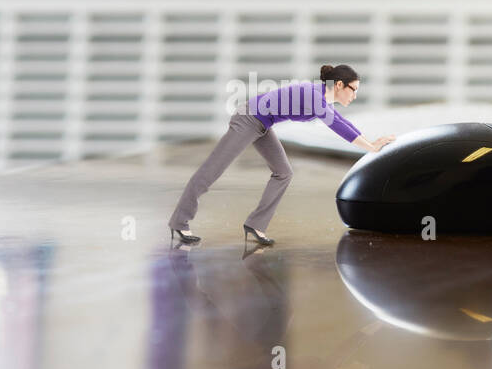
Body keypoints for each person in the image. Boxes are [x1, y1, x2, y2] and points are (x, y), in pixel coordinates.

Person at [168, 64, 395, 246]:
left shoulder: (321, 97)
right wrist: (371, 147)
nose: (355, 96)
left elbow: (342, 121)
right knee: (212, 169)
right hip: (248, 119)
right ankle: (180, 221)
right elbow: (338, 125)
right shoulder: (315, 97)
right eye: (354, 89)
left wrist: (371, 142)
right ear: (339, 85)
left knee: (284, 172)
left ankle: (255, 225)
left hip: (262, 125)